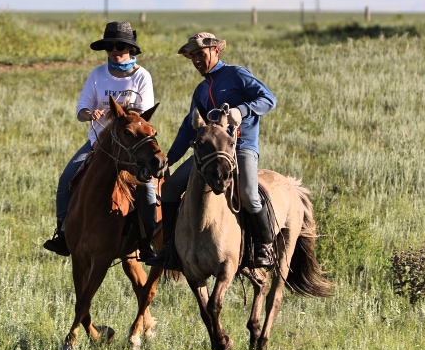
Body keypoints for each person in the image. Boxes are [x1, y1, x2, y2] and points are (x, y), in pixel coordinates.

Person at [142, 32, 277, 270]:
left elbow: (268, 99)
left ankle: (265, 247)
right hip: (208, 153)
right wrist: (171, 158)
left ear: (216, 51)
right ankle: (170, 250)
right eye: (192, 56)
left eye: (200, 54)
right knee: (172, 188)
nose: (195, 60)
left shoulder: (237, 74)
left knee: (247, 193)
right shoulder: (201, 91)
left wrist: (242, 110)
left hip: (241, 147)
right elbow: (188, 128)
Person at [43, 21, 157, 256]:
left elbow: (143, 115)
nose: (115, 51)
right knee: (66, 180)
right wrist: (90, 113)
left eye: (120, 46)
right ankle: (63, 233)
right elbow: (81, 109)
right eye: (110, 47)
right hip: (99, 143)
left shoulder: (142, 77)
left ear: (130, 48)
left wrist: (121, 113)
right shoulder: (97, 75)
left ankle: (147, 241)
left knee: (146, 186)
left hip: (131, 146)